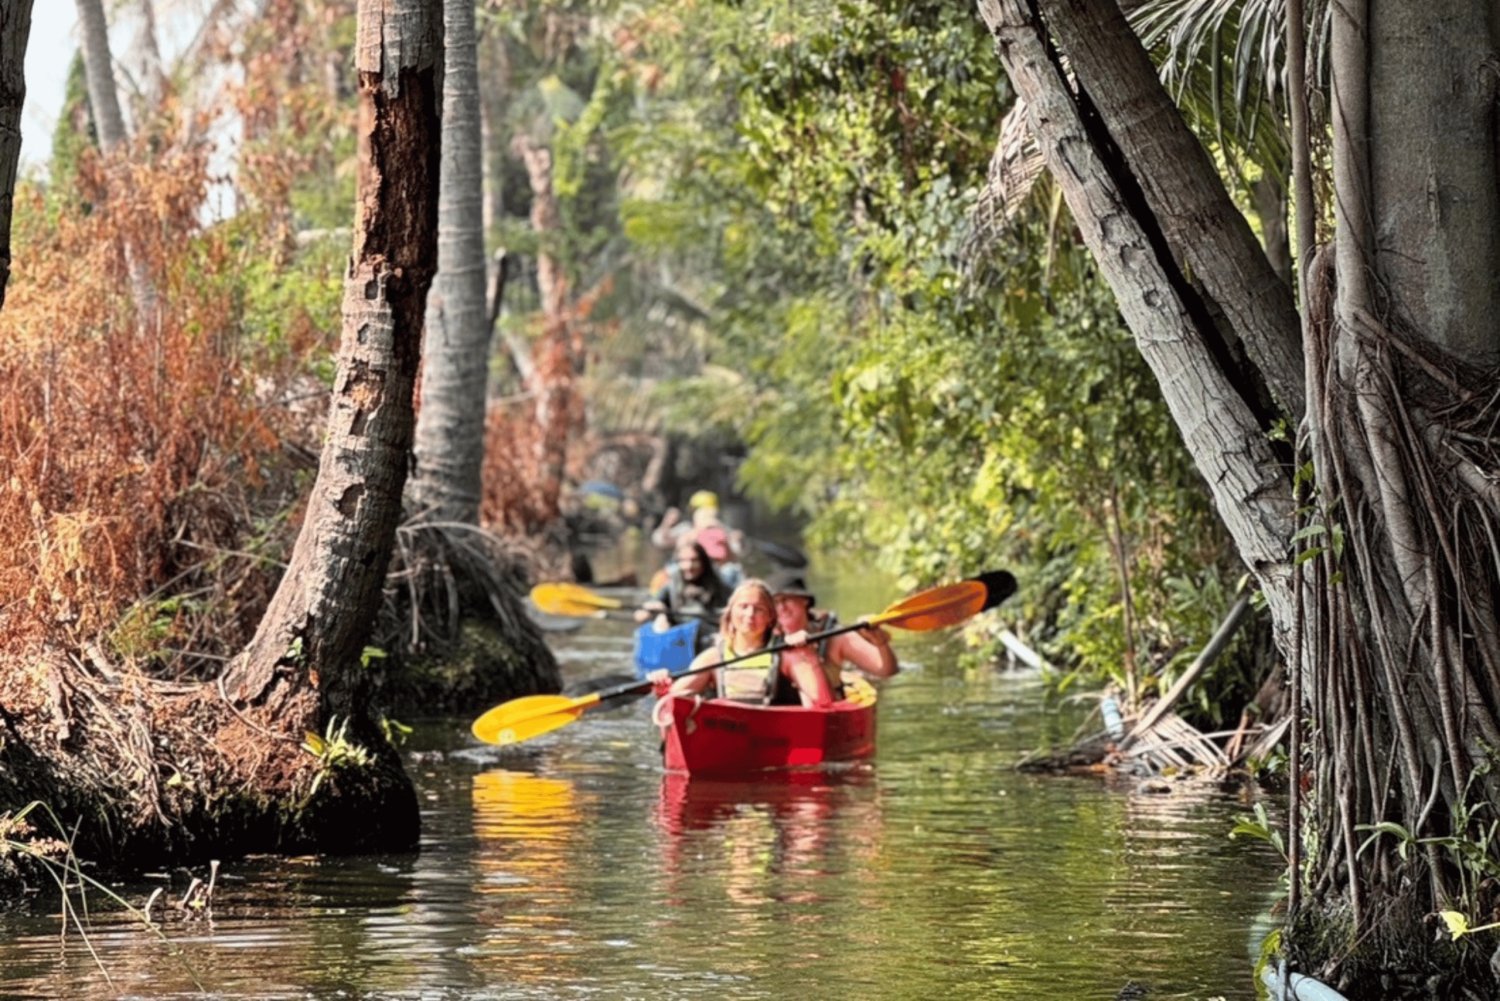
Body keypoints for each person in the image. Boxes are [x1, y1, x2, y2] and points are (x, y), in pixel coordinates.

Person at [648, 579, 834, 707]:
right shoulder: (713, 657)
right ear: (730, 614)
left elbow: (823, 702)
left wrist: (808, 653)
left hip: (774, 737)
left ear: (770, 617)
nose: (750, 615)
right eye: (743, 607)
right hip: (728, 731)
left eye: (758, 609)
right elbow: (673, 701)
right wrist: (662, 690)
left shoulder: (787, 655)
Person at [768, 571, 897, 698]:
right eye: (775, 603)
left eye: (786, 599)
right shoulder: (764, 637)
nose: (781, 607)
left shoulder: (836, 637)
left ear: (804, 601)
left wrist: (881, 643)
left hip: (828, 706)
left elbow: (886, 670)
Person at [635, 539, 732, 630]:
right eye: (683, 561)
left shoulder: (718, 586)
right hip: (681, 640)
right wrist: (657, 611)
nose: (689, 566)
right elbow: (642, 614)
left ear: (703, 562)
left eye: (694, 560)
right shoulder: (672, 586)